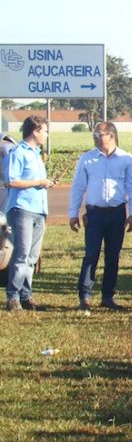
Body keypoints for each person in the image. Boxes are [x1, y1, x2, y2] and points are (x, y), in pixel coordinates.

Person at [68, 121, 132, 310]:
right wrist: (73, 213)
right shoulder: (87, 159)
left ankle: (108, 296)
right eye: (95, 134)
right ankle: (85, 296)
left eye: (99, 134)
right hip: (94, 214)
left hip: (117, 213)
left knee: (112, 256)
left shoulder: (126, 159)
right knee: (91, 255)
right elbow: (78, 187)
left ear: (111, 135)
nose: (96, 137)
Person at [4, 116, 54, 311]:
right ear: (35, 131)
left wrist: (45, 183)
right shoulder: (18, 153)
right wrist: (39, 182)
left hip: (39, 210)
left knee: (32, 258)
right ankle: (13, 297)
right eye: (44, 131)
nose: (46, 135)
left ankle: (26, 296)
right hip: (22, 209)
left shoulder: (36, 153)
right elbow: (12, 181)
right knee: (21, 254)